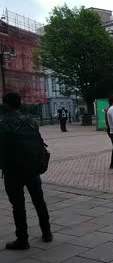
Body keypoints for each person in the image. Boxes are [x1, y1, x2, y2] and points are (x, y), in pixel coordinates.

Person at [0, 93, 52, 250]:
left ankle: (22, 239)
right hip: (33, 168)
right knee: (39, 201)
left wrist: (3, 166)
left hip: (14, 171)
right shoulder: (31, 120)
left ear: (6, 104)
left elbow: (2, 150)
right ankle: (47, 232)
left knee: (18, 205)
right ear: (20, 103)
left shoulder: (4, 123)